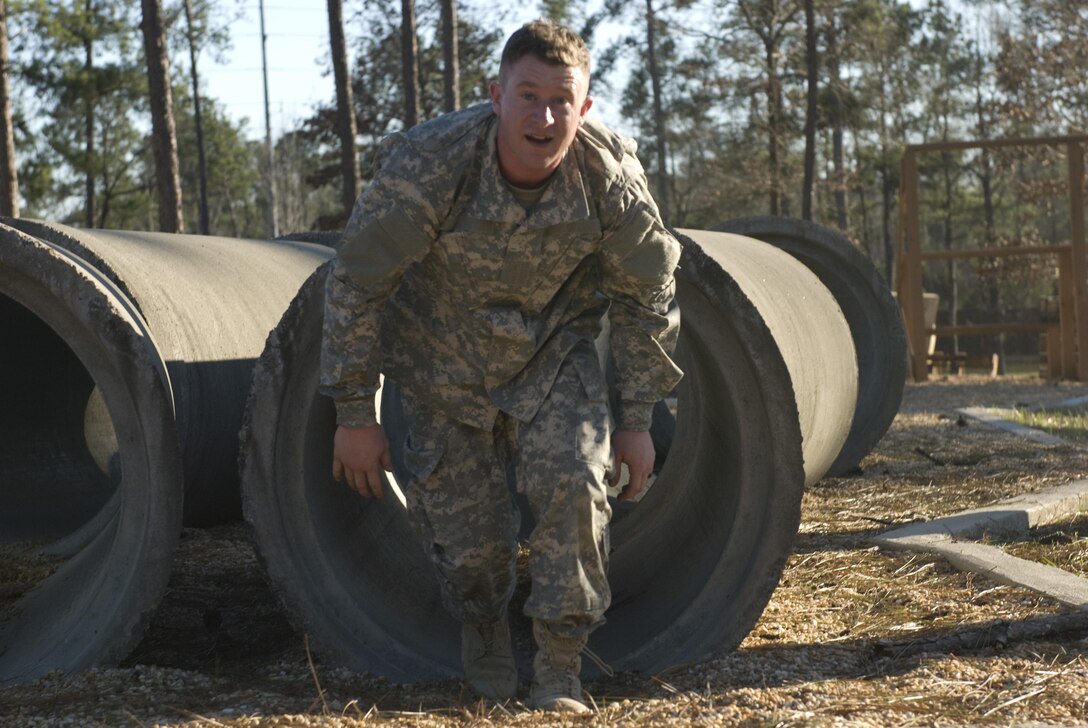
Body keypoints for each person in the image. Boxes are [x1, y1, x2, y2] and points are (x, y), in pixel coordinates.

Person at [319, 19, 682, 713]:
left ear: (585, 108)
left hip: (553, 359)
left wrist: (637, 421)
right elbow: (358, 282)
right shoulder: (432, 166)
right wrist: (354, 412)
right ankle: (484, 626)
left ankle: (559, 668)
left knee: (574, 486)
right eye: (527, 96)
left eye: (560, 100)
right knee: (472, 545)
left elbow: (647, 297)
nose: (543, 117)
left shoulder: (610, 181)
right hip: (442, 363)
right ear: (495, 95)